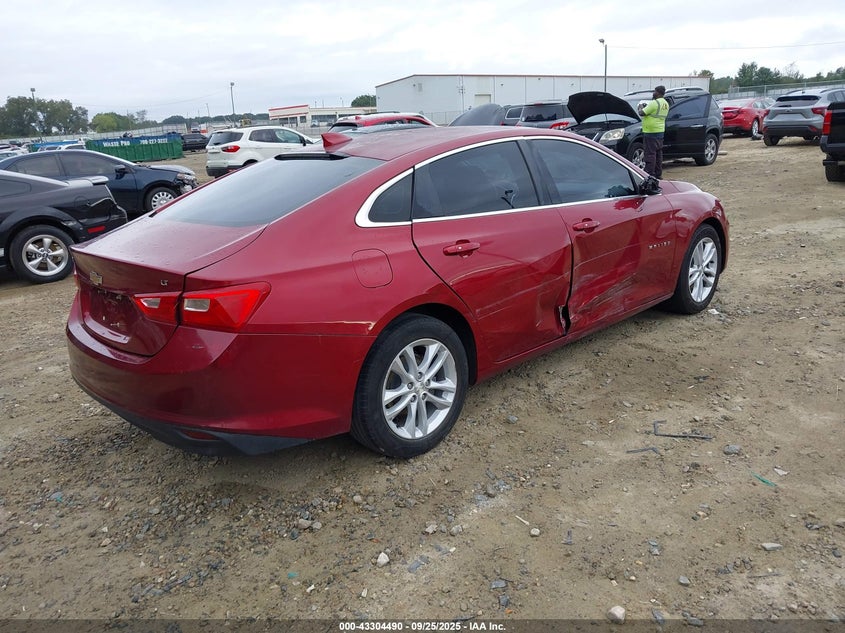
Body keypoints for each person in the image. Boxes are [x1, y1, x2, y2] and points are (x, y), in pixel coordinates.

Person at [637, 85, 669, 178]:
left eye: (654, 91)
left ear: (658, 93)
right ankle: (658, 174)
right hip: (660, 131)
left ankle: (649, 174)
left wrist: (640, 107)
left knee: (650, 154)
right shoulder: (666, 104)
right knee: (658, 154)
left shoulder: (654, 103)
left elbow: (642, 113)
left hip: (650, 132)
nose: (653, 93)